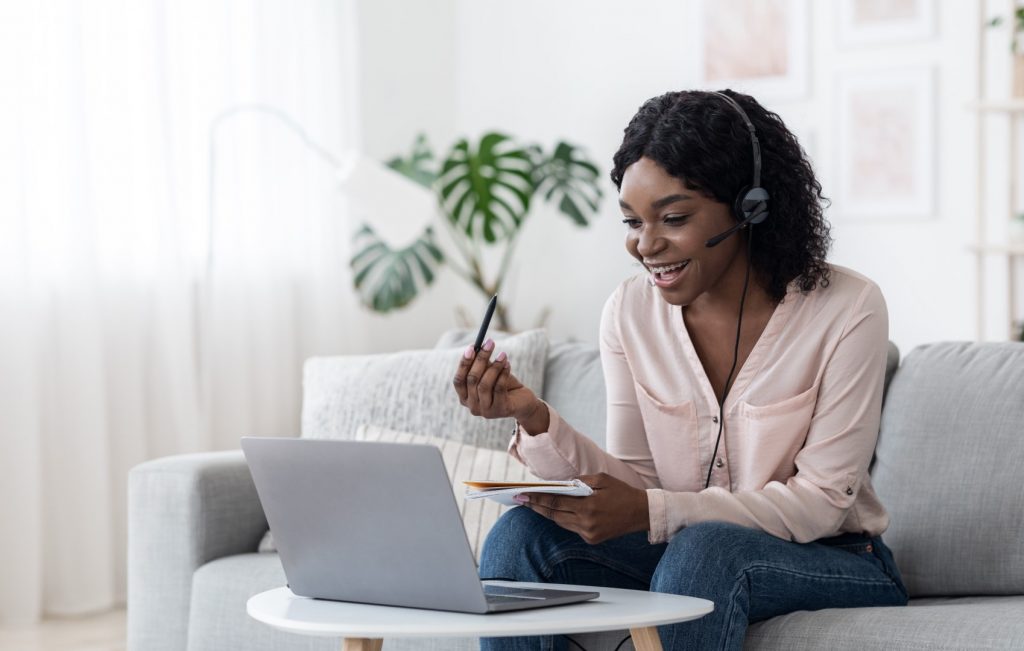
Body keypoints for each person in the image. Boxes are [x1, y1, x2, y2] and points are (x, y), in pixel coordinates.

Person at [451, 89, 908, 651]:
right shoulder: (628, 312)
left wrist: (653, 510)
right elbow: (635, 483)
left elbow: (820, 503)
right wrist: (533, 416)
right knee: (519, 537)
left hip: (834, 557)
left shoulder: (848, 307)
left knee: (705, 550)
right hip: (683, 549)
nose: (646, 245)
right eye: (631, 221)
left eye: (673, 218)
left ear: (750, 206)